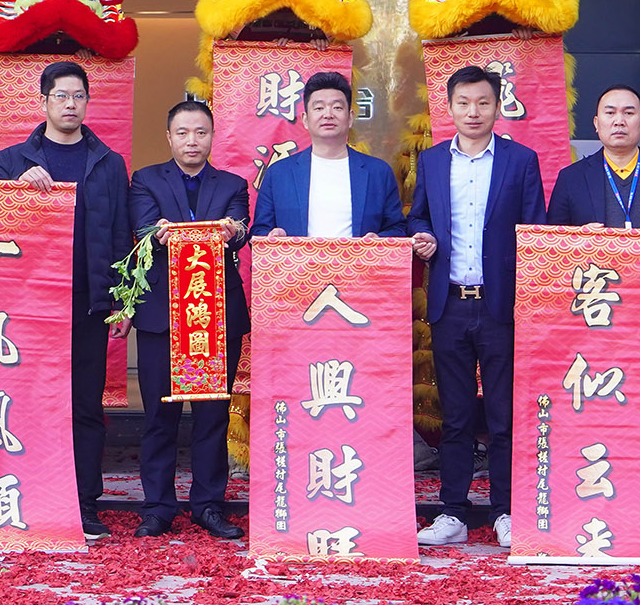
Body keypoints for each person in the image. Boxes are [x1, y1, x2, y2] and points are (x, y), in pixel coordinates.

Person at [0, 60, 132, 541]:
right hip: (31, 307)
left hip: (89, 303)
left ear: (87, 102)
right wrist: (16, 192)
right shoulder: (13, 160)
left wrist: (123, 302)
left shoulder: (109, 162)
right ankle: (30, 495)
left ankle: (84, 502)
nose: (70, 105)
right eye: (61, 96)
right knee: (31, 402)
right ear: (43, 102)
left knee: (85, 406)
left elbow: (122, 236)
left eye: (78, 96)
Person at [408, 65, 546, 549]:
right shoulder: (432, 161)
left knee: (504, 415)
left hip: (501, 305)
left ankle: (505, 510)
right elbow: (418, 216)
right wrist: (421, 237)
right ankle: (452, 512)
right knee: (456, 415)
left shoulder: (520, 161)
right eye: (464, 103)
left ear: (497, 106)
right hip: (450, 304)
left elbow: (535, 230)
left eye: (483, 102)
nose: (473, 112)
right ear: (449, 107)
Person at [124, 99, 251, 540]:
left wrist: (234, 232)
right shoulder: (145, 180)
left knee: (212, 417)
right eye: (182, 133)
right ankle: (158, 507)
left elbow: (240, 231)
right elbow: (144, 230)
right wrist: (158, 234)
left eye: (200, 132)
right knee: (160, 417)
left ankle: (208, 506)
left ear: (212, 137)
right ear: (169, 137)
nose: (192, 141)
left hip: (215, 318)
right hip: (163, 316)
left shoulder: (233, 183)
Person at [547, 83, 640, 300]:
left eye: (628, 113)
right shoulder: (571, 179)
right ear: (597, 123)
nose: (619, 121)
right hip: (594, 298)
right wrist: (577, 241)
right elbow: (552, 242)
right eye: (610, 113)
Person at [251, 71, 406, 239]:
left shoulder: (378, 172)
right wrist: (272, 236)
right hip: (297, 258)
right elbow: (259, 232)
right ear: (305, 119)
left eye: (337, 107)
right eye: (319, 108)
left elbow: (397, 228)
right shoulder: (279, 173)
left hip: (359, 257)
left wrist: (378, 241)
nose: (328, 114)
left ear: (350, 118)